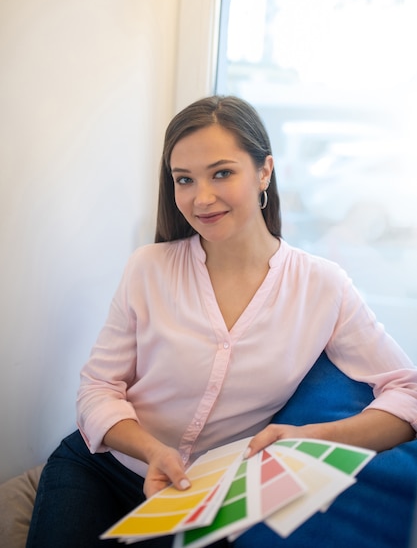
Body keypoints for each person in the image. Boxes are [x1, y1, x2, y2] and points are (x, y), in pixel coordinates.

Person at [26, 95, 417, 548]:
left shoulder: (322, 286)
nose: (202, 197)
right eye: (184, 180)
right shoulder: (148, 267)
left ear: (264, 171)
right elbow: (97, 388)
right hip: (102, 467)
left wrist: (308, 439)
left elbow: (407, 392)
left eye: (222, 173)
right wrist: (152, 451)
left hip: (207, 499)